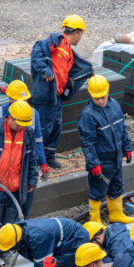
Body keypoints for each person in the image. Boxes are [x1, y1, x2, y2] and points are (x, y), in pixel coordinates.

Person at [31, 15, 94, 168]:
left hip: (56, 96)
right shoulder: (57, 40)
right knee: (42, 128)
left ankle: (48, 157)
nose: (80, 38)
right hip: (46, 95)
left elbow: (71, 72)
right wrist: (45, 70)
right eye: (81, 34)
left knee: (55, 127)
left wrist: (87, 71)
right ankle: (34, 160)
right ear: (77, 32)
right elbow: (37, 49)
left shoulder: (68, 50)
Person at [0, 100, 39, 252]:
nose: (22, 127)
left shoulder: (28, 133)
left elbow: (32, 158)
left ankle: (8, 251)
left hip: (16, 189)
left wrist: (32, 178)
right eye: (19, 124)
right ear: (10, 117)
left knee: (11, 225)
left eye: (25, 124)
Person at [78, 75, 134, 225]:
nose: (101, 101)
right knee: (98, 190)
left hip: (115, 158)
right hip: (102, 162)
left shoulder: (114, 105)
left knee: (117, 186)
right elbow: (88, 143)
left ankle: (116, 214)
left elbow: (122, 128)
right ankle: (95, 221)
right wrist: (93, 163)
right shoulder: (88, 115)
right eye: (97, 98)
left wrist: (127, 147)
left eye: (103, 97)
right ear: (90, 94)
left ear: (108, 91)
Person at [0, 218, 90, 267]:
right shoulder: (15, 232)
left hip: (75, 241)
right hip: (59, 238)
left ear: (17, 243)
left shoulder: (38, 239)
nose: (8, 250)